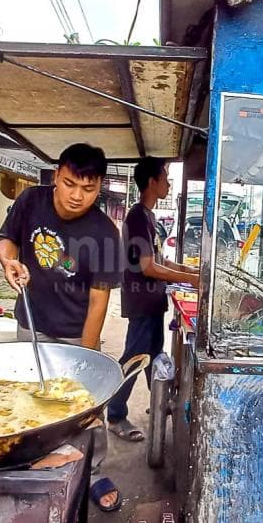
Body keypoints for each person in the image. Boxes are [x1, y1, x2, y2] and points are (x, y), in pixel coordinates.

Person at [0, 143, 123, 512]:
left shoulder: (104, 233)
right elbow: (6, 240)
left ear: (99, 187)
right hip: (31, 324)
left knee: (84, 408)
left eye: (88, 188)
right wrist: (9, 261)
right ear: (56, 176)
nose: (76, 196)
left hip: (75, 332)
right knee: (30, 396)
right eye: (69, 184)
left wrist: (87, 357)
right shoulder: (31, 201)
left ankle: (93, 470)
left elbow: (99, 301)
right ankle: (29, 460)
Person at [107, 158, 199, 441]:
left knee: (155, 354)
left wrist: (189, 272)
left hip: (153, 300)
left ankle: (159, 402)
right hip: (141, 301)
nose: (168, 184)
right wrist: (192, 280)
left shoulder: (149, 217)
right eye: (165, 179)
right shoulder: (137, 217)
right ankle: (115, 415)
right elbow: (148, 267)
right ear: (151, 182)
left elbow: (160, 260)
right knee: (135, 358)